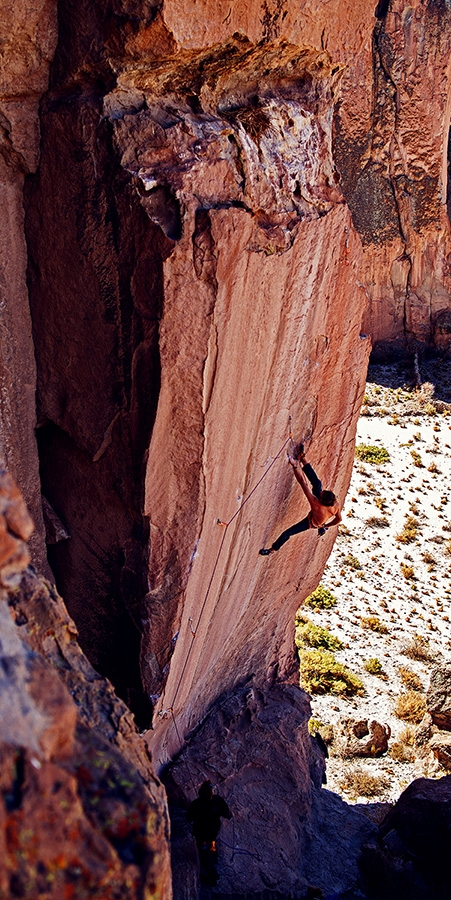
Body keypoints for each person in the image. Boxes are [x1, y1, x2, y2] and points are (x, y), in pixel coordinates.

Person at [259, 444, 341, 555]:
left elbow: (302, 482)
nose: (320, 493)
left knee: (287, 533)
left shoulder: (315, 503)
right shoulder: (335, 504)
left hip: (311, 522)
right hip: (322, 519)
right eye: (322, 493)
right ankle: (302, 457)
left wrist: (294, 466)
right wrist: (326, 526)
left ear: (320, 500)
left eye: (320, 495)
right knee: (317, 484)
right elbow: (339, 519)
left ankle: (271, 550)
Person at [187, 781, 233, 885]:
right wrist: (230, 814)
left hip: (201, 834)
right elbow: (227, 814)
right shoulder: (218, 801)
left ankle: (213, 876)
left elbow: (189, 818)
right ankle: (214, 857)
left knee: (204, 852)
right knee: (212, 842)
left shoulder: (196, 803)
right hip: (213, 831)